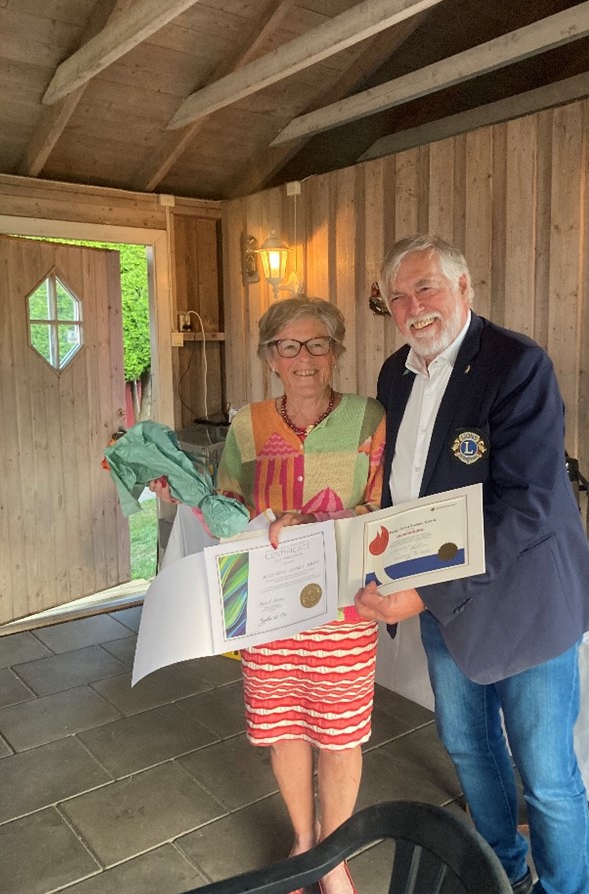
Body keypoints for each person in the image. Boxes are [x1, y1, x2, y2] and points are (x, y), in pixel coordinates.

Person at [354, 235, 589, 894]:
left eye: (426, 288)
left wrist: (420, 591)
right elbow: (402, 490)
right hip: (445, 603)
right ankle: (500, 872)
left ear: (463, 288)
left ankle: (565, 888)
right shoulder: (393, 374)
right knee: (470, 749)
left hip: (525, 603)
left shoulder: (516, 364)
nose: (413, 307)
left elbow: (528, 505)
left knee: (546, 774)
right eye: (397, 297)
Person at [154, 297, 385, 894]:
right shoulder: (248, 424)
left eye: (317, 344)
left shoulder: (368, 417)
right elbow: (229, 510)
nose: (303, 357)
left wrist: (316, 523)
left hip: (342, 603)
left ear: (336, 352)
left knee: (340, 733)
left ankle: (333, 855)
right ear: (270, 358)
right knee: (283, 726)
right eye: (288, 346)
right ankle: (303, 844)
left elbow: (384, 505)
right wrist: (186, 494)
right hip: (267, 600)